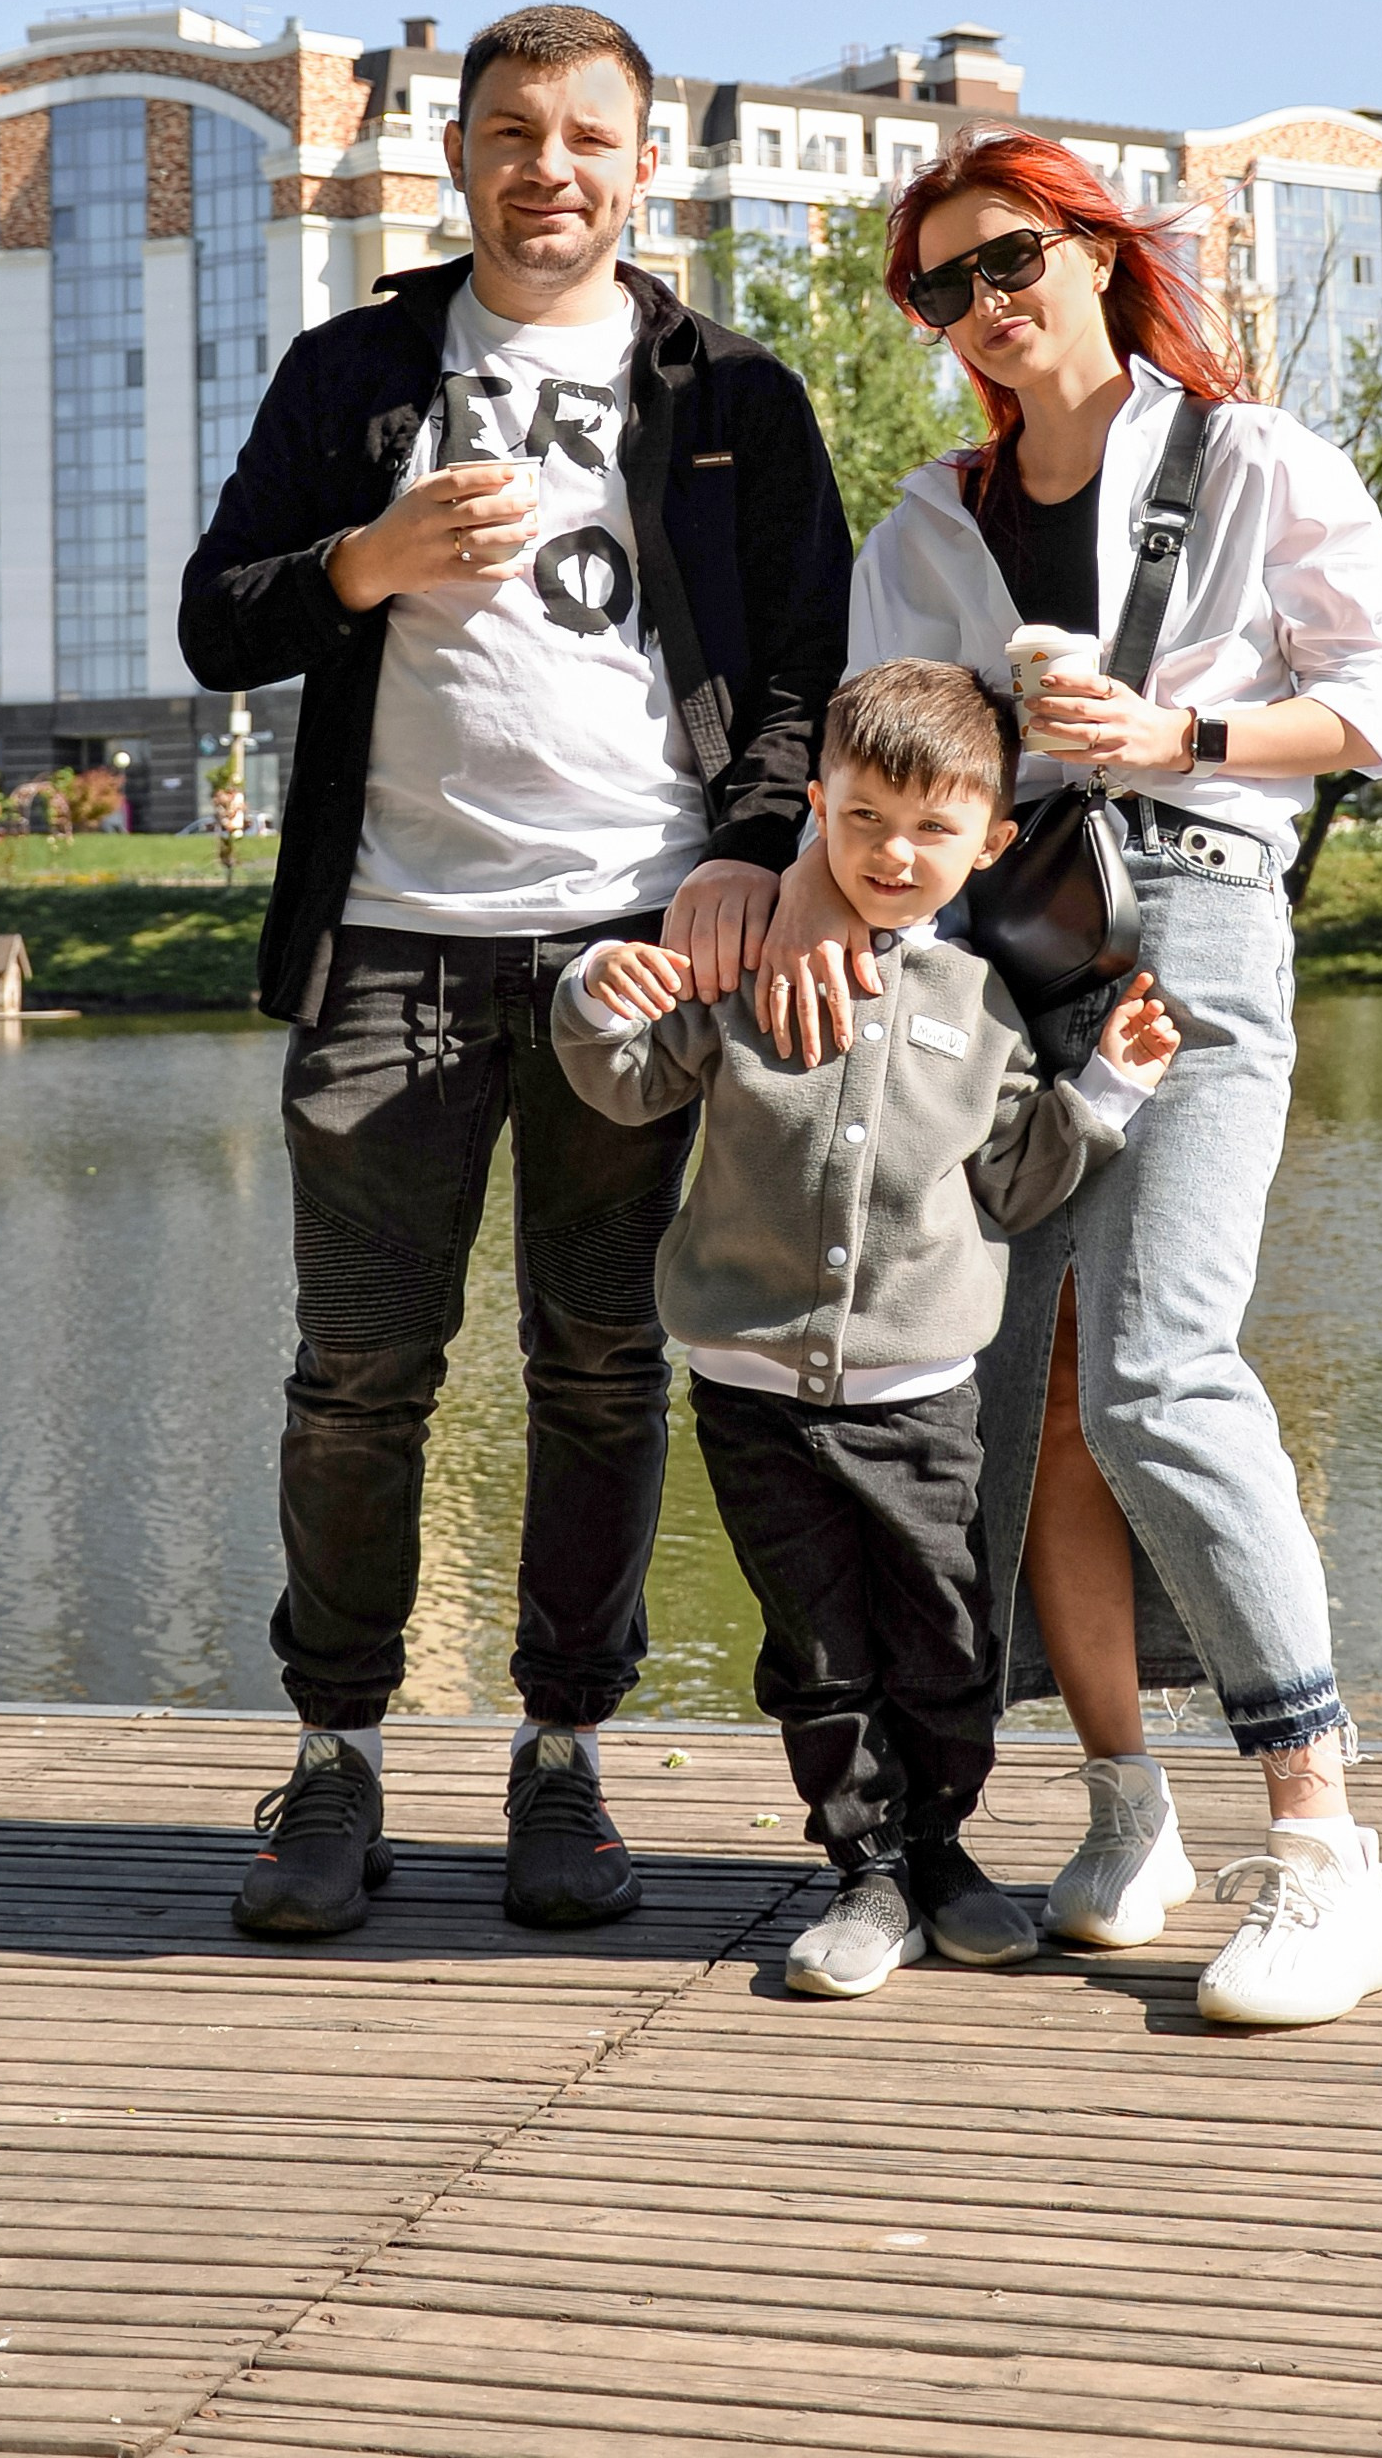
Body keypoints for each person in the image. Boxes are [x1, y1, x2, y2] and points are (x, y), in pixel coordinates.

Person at [180, 3, 852, 1939]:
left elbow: (799, 664)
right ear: (453, 157)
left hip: (629, 947)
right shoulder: (357, 372)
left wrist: (741, 851)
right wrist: (361, 567)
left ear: (642, 167)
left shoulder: (731, 391)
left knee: (599, 1367)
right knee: (357, 1380)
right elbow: (223, 622)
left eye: (585, 137)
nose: (546, 168)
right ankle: (333, 1758)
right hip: (389, 938)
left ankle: (564, 1760)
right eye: (507, 134)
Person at [756, 128, 1382, 2030]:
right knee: (1019, 1397)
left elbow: (1364, 708)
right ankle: (1129, 1816)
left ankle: (1323, 1849)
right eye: (947, 284)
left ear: (1100, 252)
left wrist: (1177, 726)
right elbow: (882, 773)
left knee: (1156, 1371)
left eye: (1014, 260)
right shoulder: (922, 528)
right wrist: (803, 906)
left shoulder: (1252, 457)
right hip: (990, 957)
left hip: (1198, 914)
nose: (988, 305)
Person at [553, 658, 1180, 1999]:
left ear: (991, 842)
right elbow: (623, 1083)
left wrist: (1113, 1087)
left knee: (949, 1634)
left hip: (922, 1394)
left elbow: (1020, 1182)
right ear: (819, 812)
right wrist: (600, 984)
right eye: (863, 820)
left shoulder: (985, 1007)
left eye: (933, 829)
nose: (895, 854)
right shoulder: (750, 977)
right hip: (750, 1387)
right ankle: (868, 1873)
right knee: (821, 1650)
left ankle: (944, 1854)